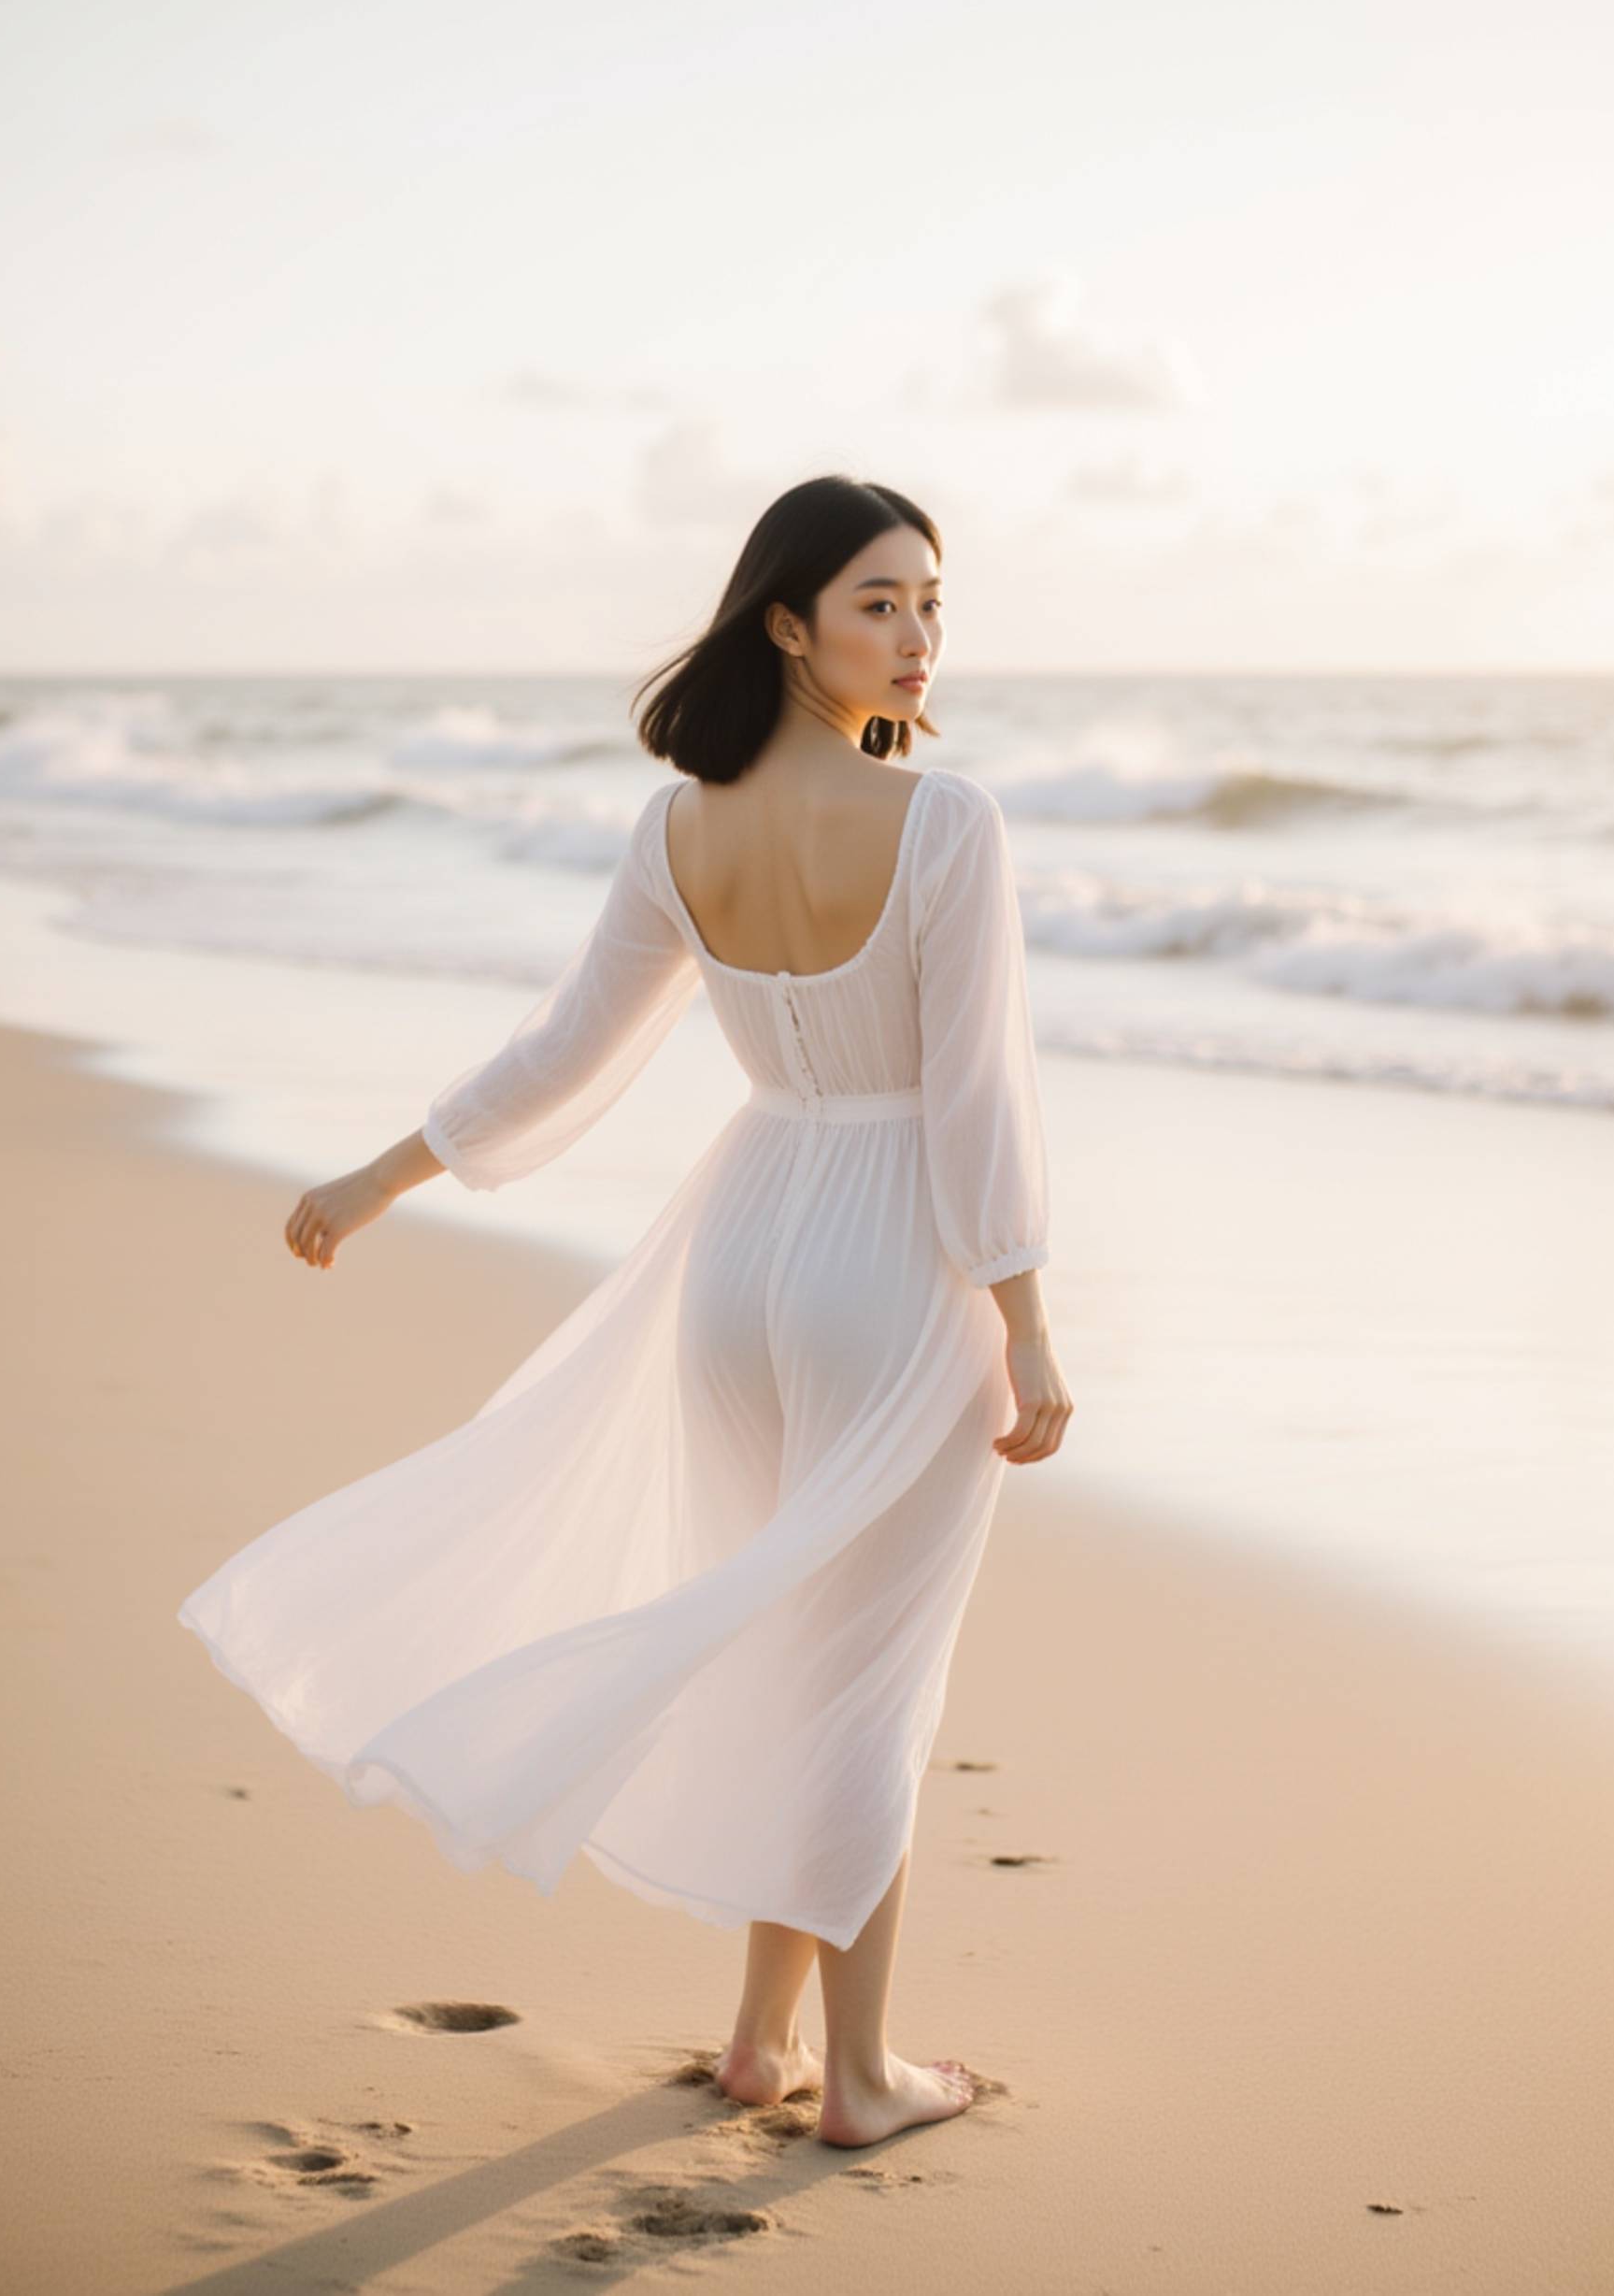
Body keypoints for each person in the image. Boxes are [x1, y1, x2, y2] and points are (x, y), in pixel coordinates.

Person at [178, 473, 1073, 2149]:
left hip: (741, 1259)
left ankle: (760, 2041)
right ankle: (863, 2077)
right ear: (788, 624)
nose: (919, 635)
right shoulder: (947, 824)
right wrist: (1024, 1314)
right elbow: (975, 1104)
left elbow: (566, 1050)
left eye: (932, 601)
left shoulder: (677, 828)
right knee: (866, 1681)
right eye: (880, 602)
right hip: (894, 1269)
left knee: (797, 1650)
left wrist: (384, 1178)